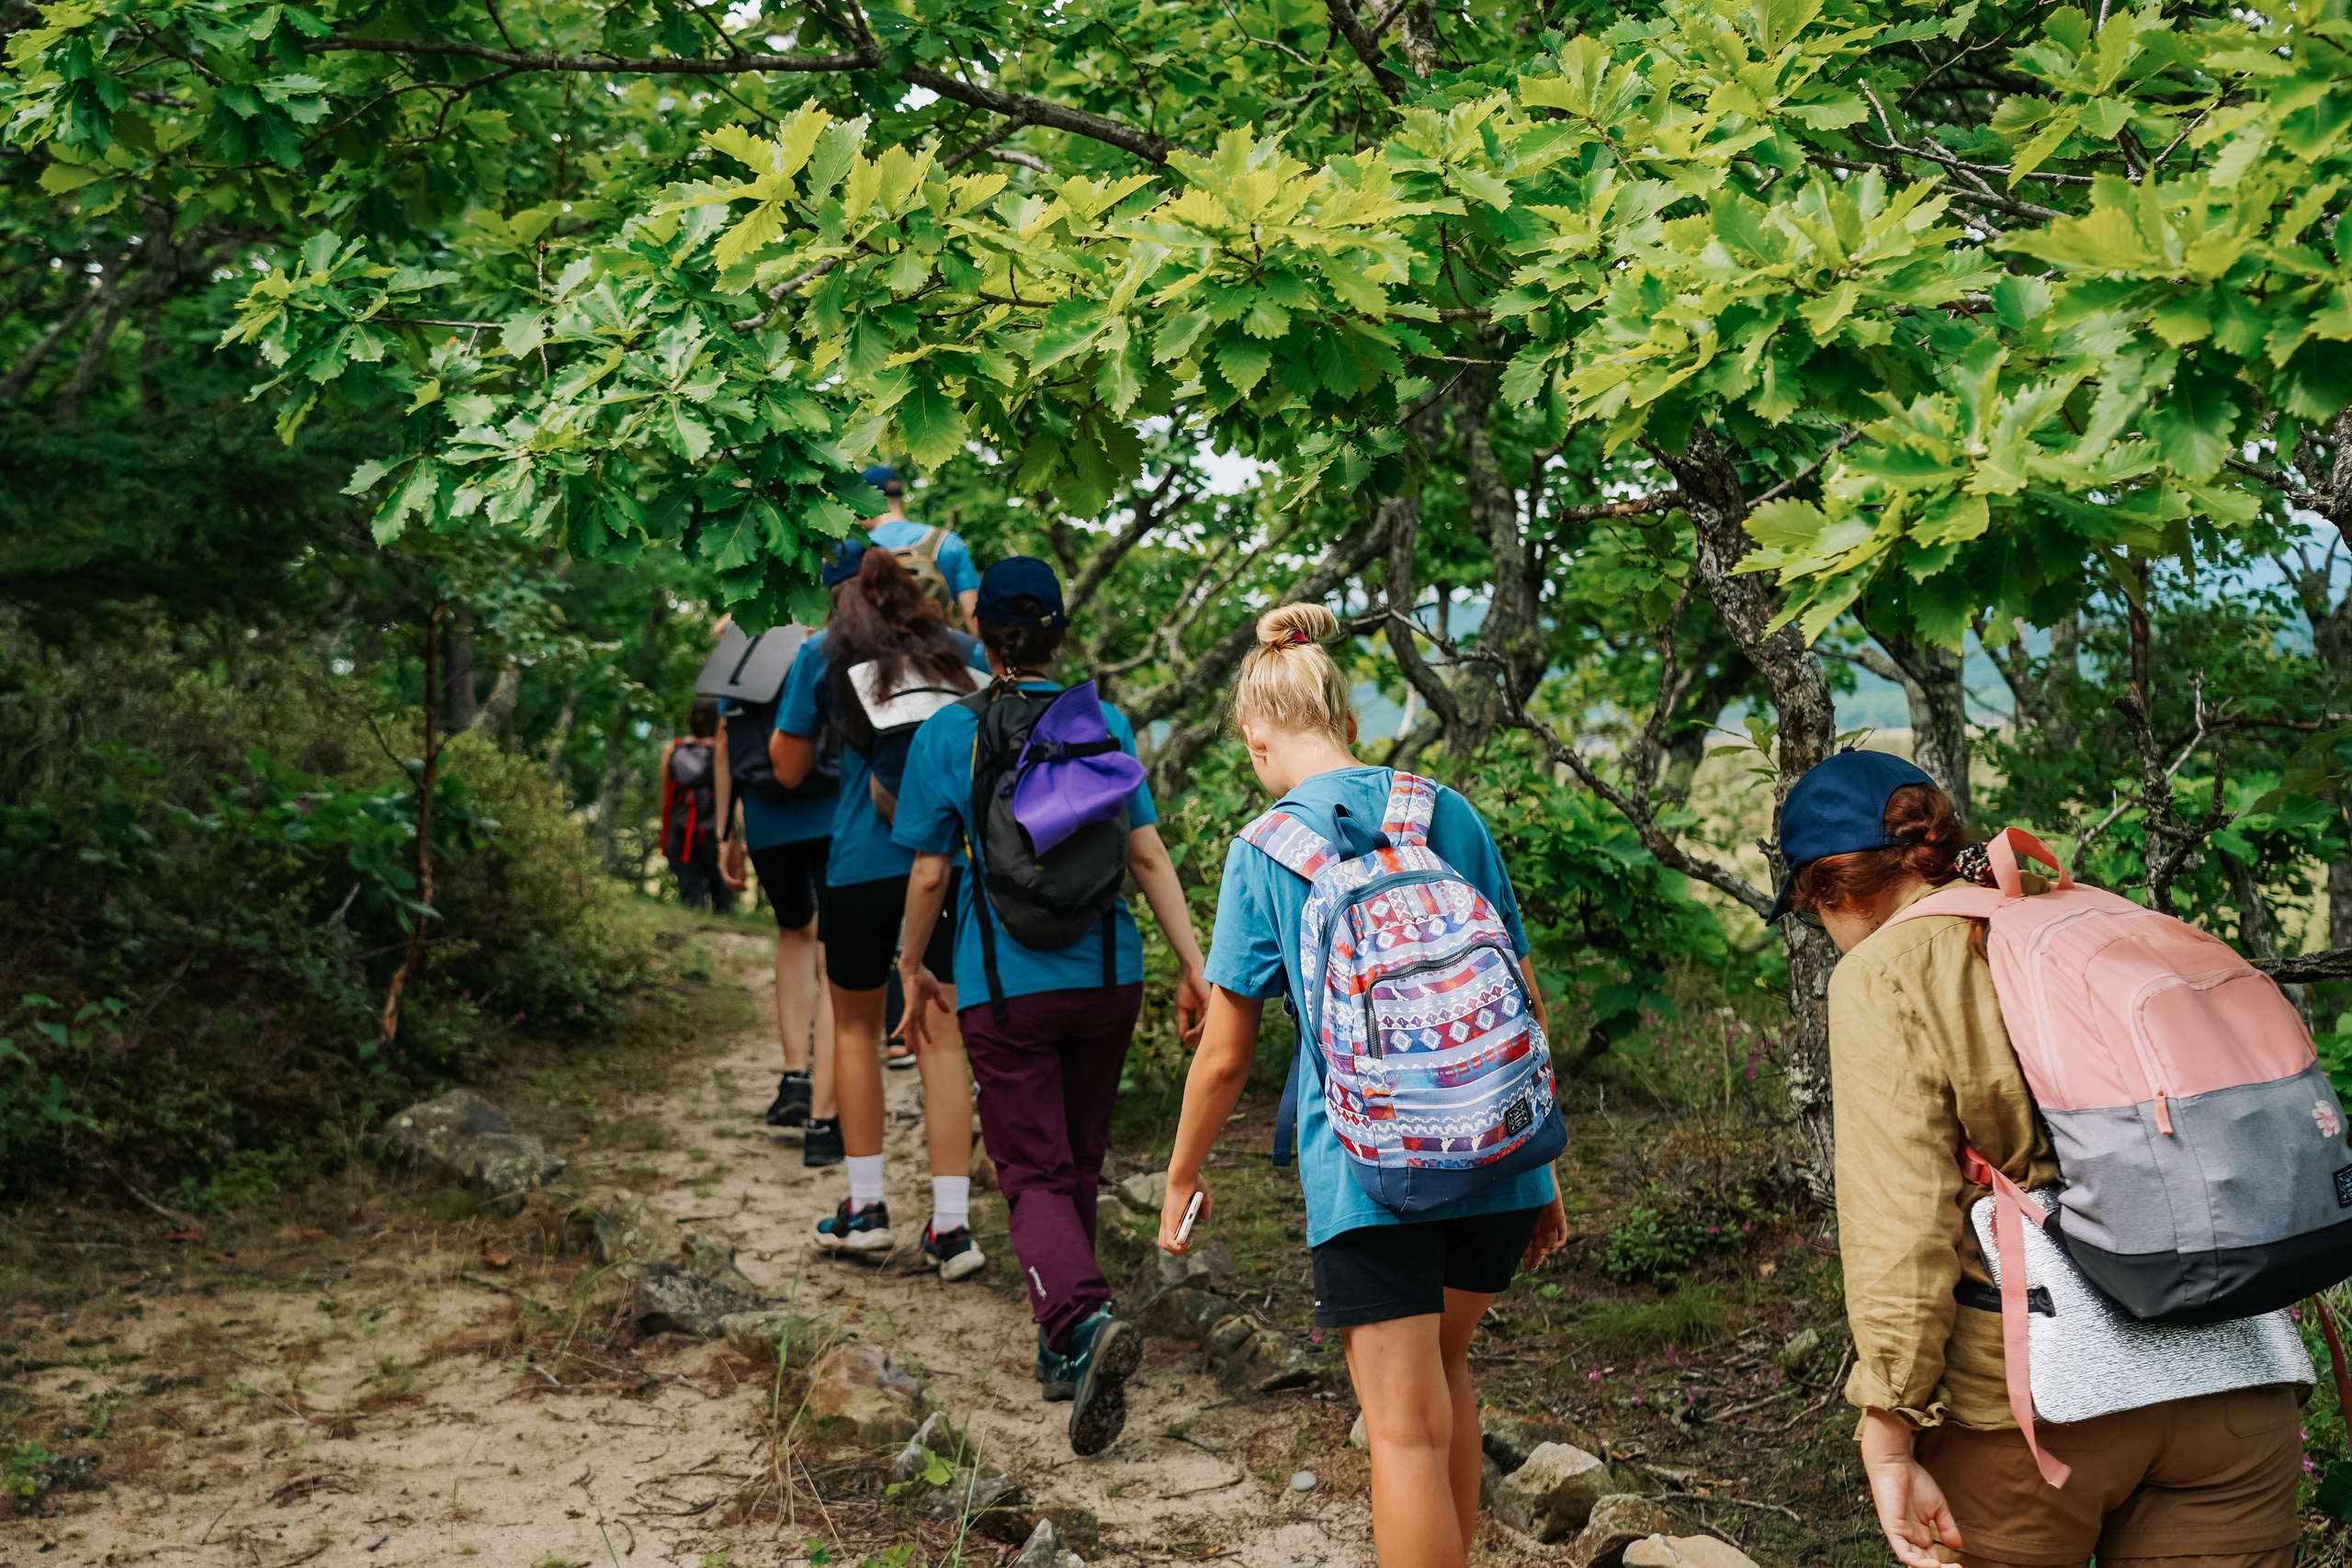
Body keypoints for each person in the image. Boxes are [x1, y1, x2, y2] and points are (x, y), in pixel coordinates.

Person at [1770, 750, 2304, 1568]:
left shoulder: (1885, 971)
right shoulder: (2085, 914)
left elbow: (1903, 1229)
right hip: (2237, 1371)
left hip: (2037, 1411)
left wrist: (1889, 1431)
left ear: (1829, 890)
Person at [1157, 604, 1566, 1565]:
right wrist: (1542, 1172)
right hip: (1498, 1159)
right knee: (1447, 1373)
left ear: (1257, 739)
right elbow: (1522, 1001)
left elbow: (1224, 1054)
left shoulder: (1265, 850)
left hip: (1370, 1173)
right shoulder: (1444, 811)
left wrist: (1181, 1175)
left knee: (1401, 1432)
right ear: (1344, 718)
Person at [892, 557, 1210, 1456]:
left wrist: (911, 966)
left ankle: (1080, 1319)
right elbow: (1145, 856)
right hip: (1107, 978)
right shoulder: (1099, 721)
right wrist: (1193, 965)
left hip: (1007, 988)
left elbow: (926, 872)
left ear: (980, 634)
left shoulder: (948, 733)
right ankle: (1060, 1351)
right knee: (1073, 1159)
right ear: (1060, 632)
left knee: (1028, 1171)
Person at [771, 542, 989, 1279]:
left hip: (862, 863)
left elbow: (788, 765)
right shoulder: (957, 652)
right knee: (941, 1036)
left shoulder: (821, 654)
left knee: (859, 1028)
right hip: (950, 866)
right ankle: (952, 1228)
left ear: (837, 593)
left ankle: (865, 1211)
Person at [716, 653, 840, 1159]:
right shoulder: (827, 649)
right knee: (837, 959)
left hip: (768, 819)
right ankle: (824, 1124)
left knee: (794, 932)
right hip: (835, 811)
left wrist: (726, 833)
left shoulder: (745, 652)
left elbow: (726, 742)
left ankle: (795, 1076)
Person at [863, 465, 979, 630]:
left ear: (865, 502)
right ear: (902, 499)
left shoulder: (857, 550)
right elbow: (972, 614)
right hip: (943, 650)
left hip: (883, 651)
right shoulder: (947, 541)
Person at [660, 698, 734, 913]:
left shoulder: (673, 749)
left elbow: (664, 795)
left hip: (681, 830)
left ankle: (696, 927)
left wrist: (665, 831)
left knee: (691, 892)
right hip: (716, 831)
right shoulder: (725, 750)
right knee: (722, 892)